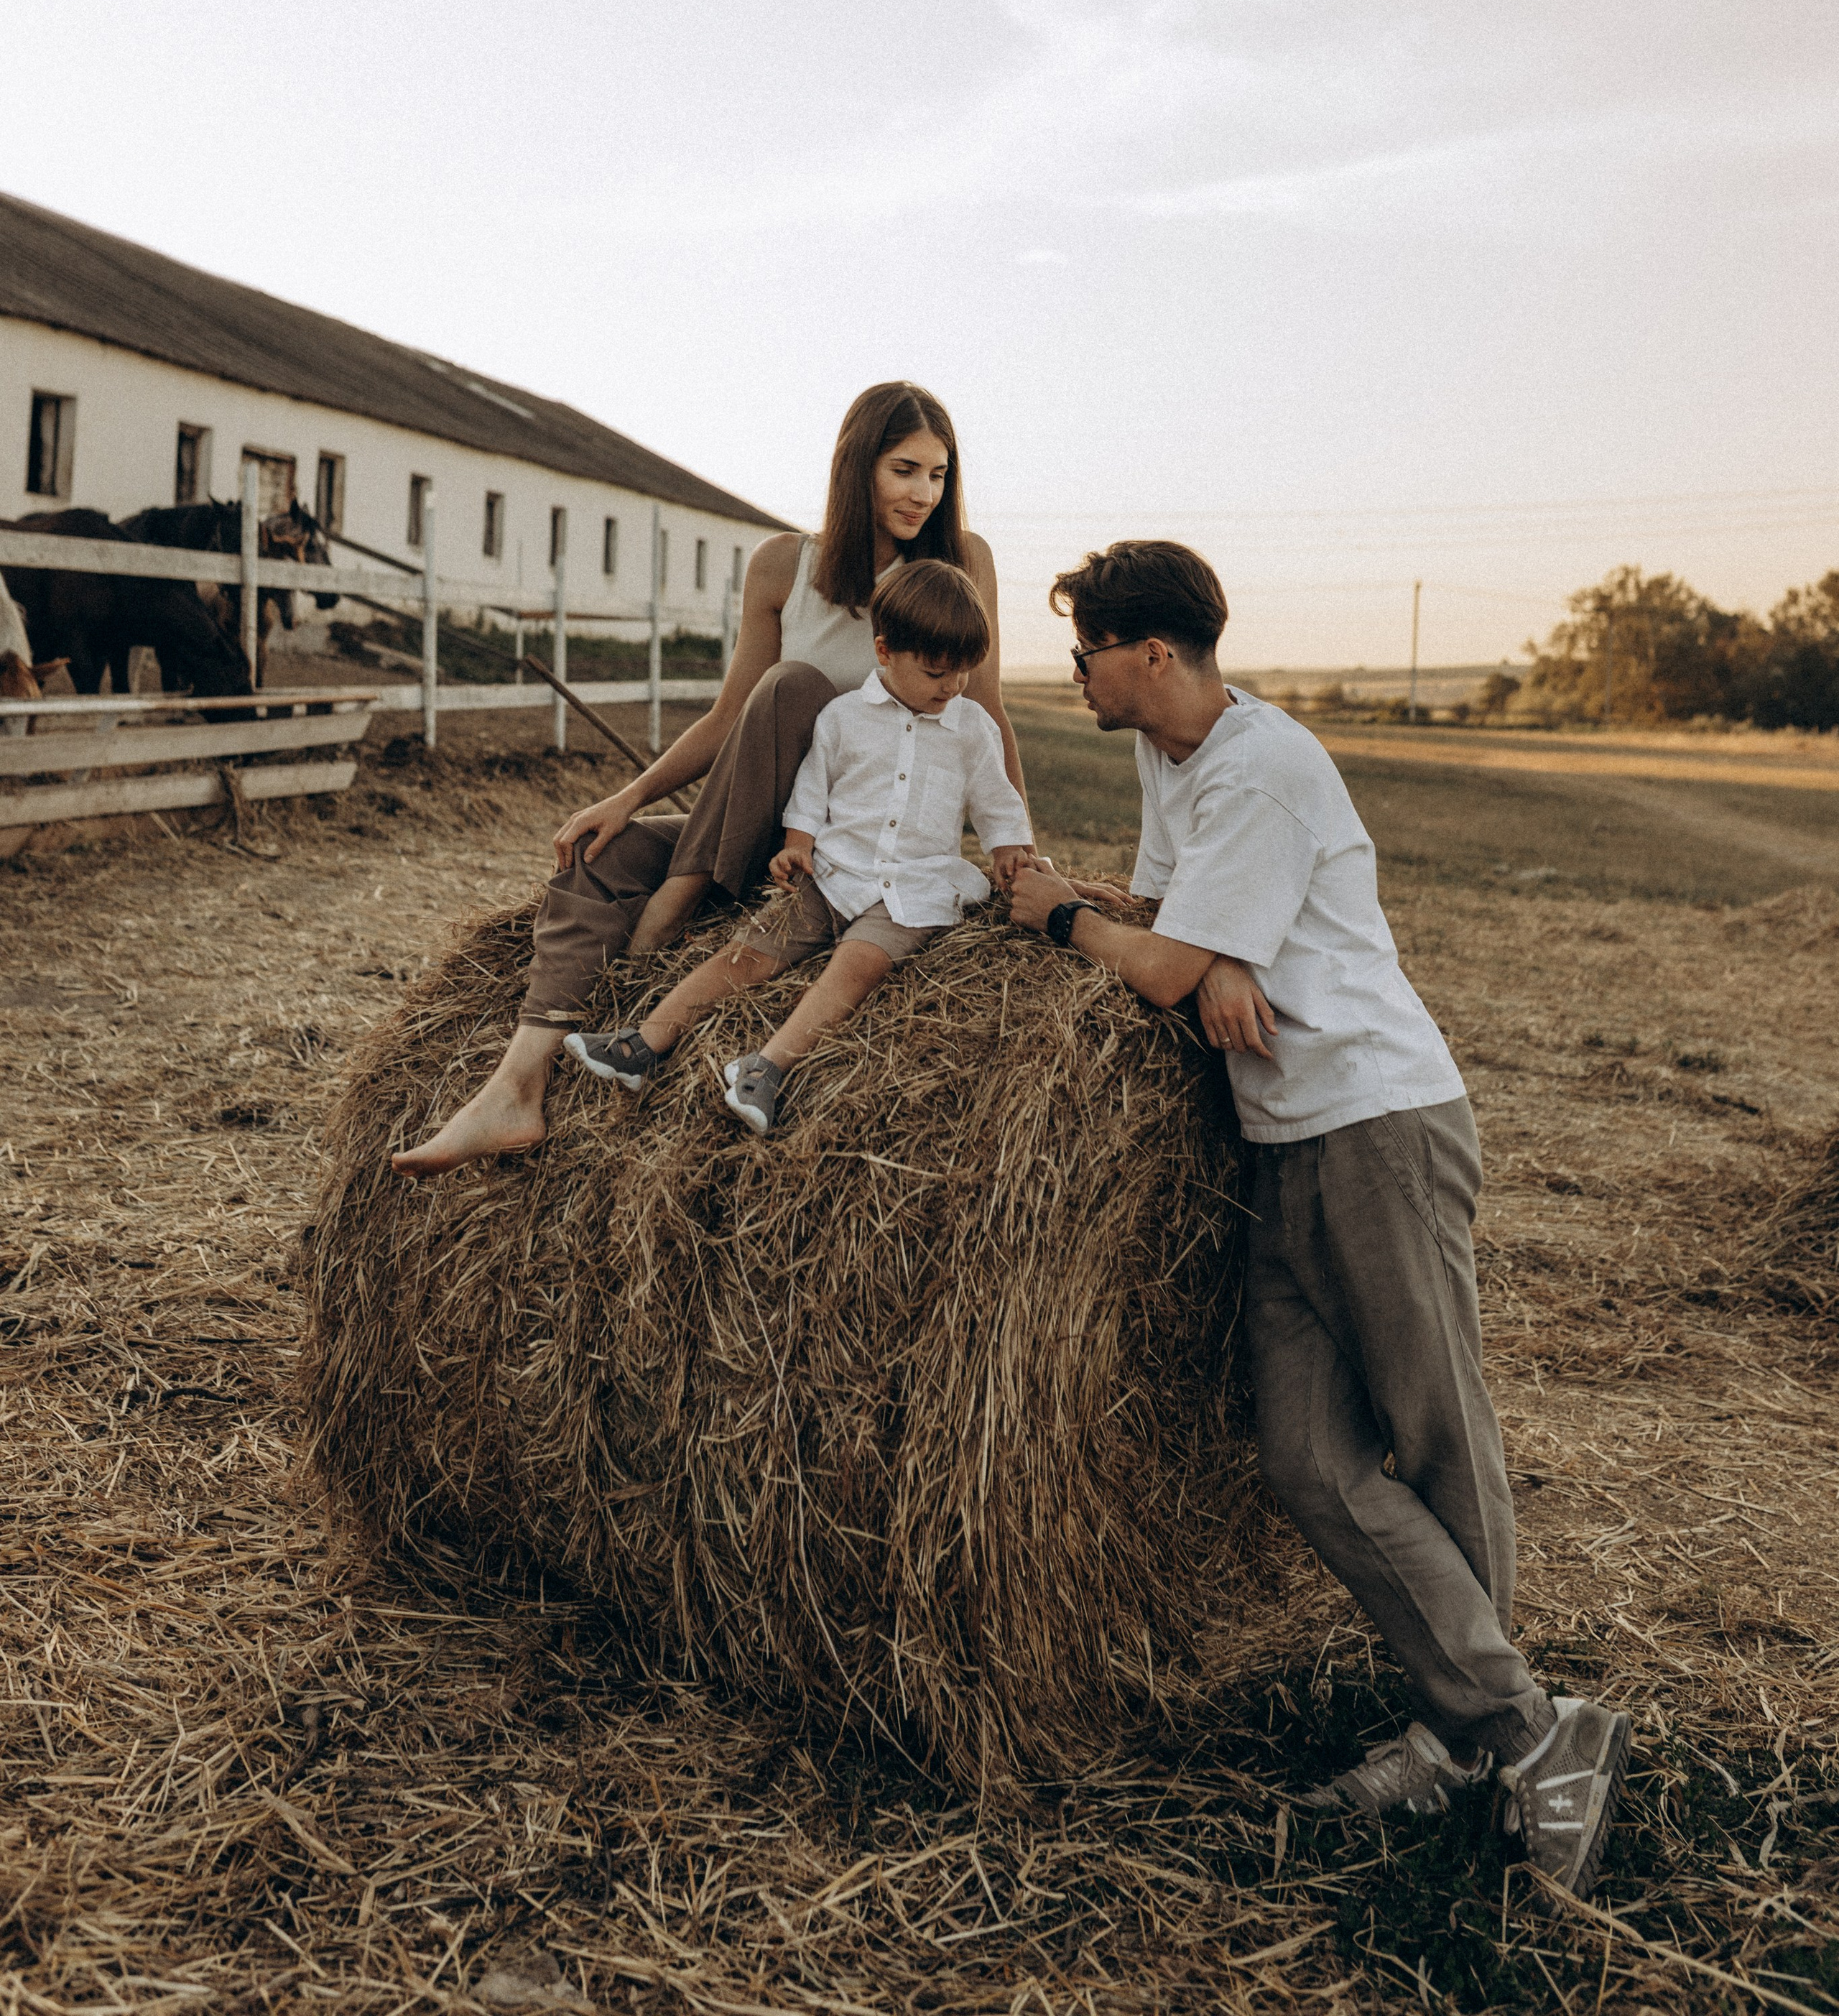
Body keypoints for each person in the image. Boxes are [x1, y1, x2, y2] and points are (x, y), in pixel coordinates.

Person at [1006, 540, 1632, 1902]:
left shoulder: (1264, 765)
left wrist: (1072, 921)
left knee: (1434, 1431)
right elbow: (1179, 930)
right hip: (1283, 1139)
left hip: (1377, 1123)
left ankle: (1485, 1742)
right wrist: (1201, 953)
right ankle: (1513, 1724)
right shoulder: (1167, 760)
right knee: (1299, 1452)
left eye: (1086, 653)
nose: (1075, 675)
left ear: (1151, 655)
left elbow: (1158, 956)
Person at [392, 383, 1026, 1178]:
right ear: (857, 464)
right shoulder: (782, 566)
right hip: (760, 833)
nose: (922, 493)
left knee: (795, 686)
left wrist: (1023, 852)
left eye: (937, 474)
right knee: (601, 855)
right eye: (905, 469)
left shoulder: (960, 566)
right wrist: (628, 799)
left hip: (845, 853)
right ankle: (515, 1087)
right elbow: (729, 719)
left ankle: (676, 904)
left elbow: (988, 709)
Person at [565, 560, 1033, 1134]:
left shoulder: (973, 730)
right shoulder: (843, 719)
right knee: (750, 951)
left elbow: (996, 800)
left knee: (857, 964)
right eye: (938, 671)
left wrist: (1011, 846)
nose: (954, 686)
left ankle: (767, 1067)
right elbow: (813, 790)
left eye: (964, 671)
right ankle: (644, 1043)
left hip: (912, 887)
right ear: (885, 652)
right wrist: (797, 844)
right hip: (835, 873)